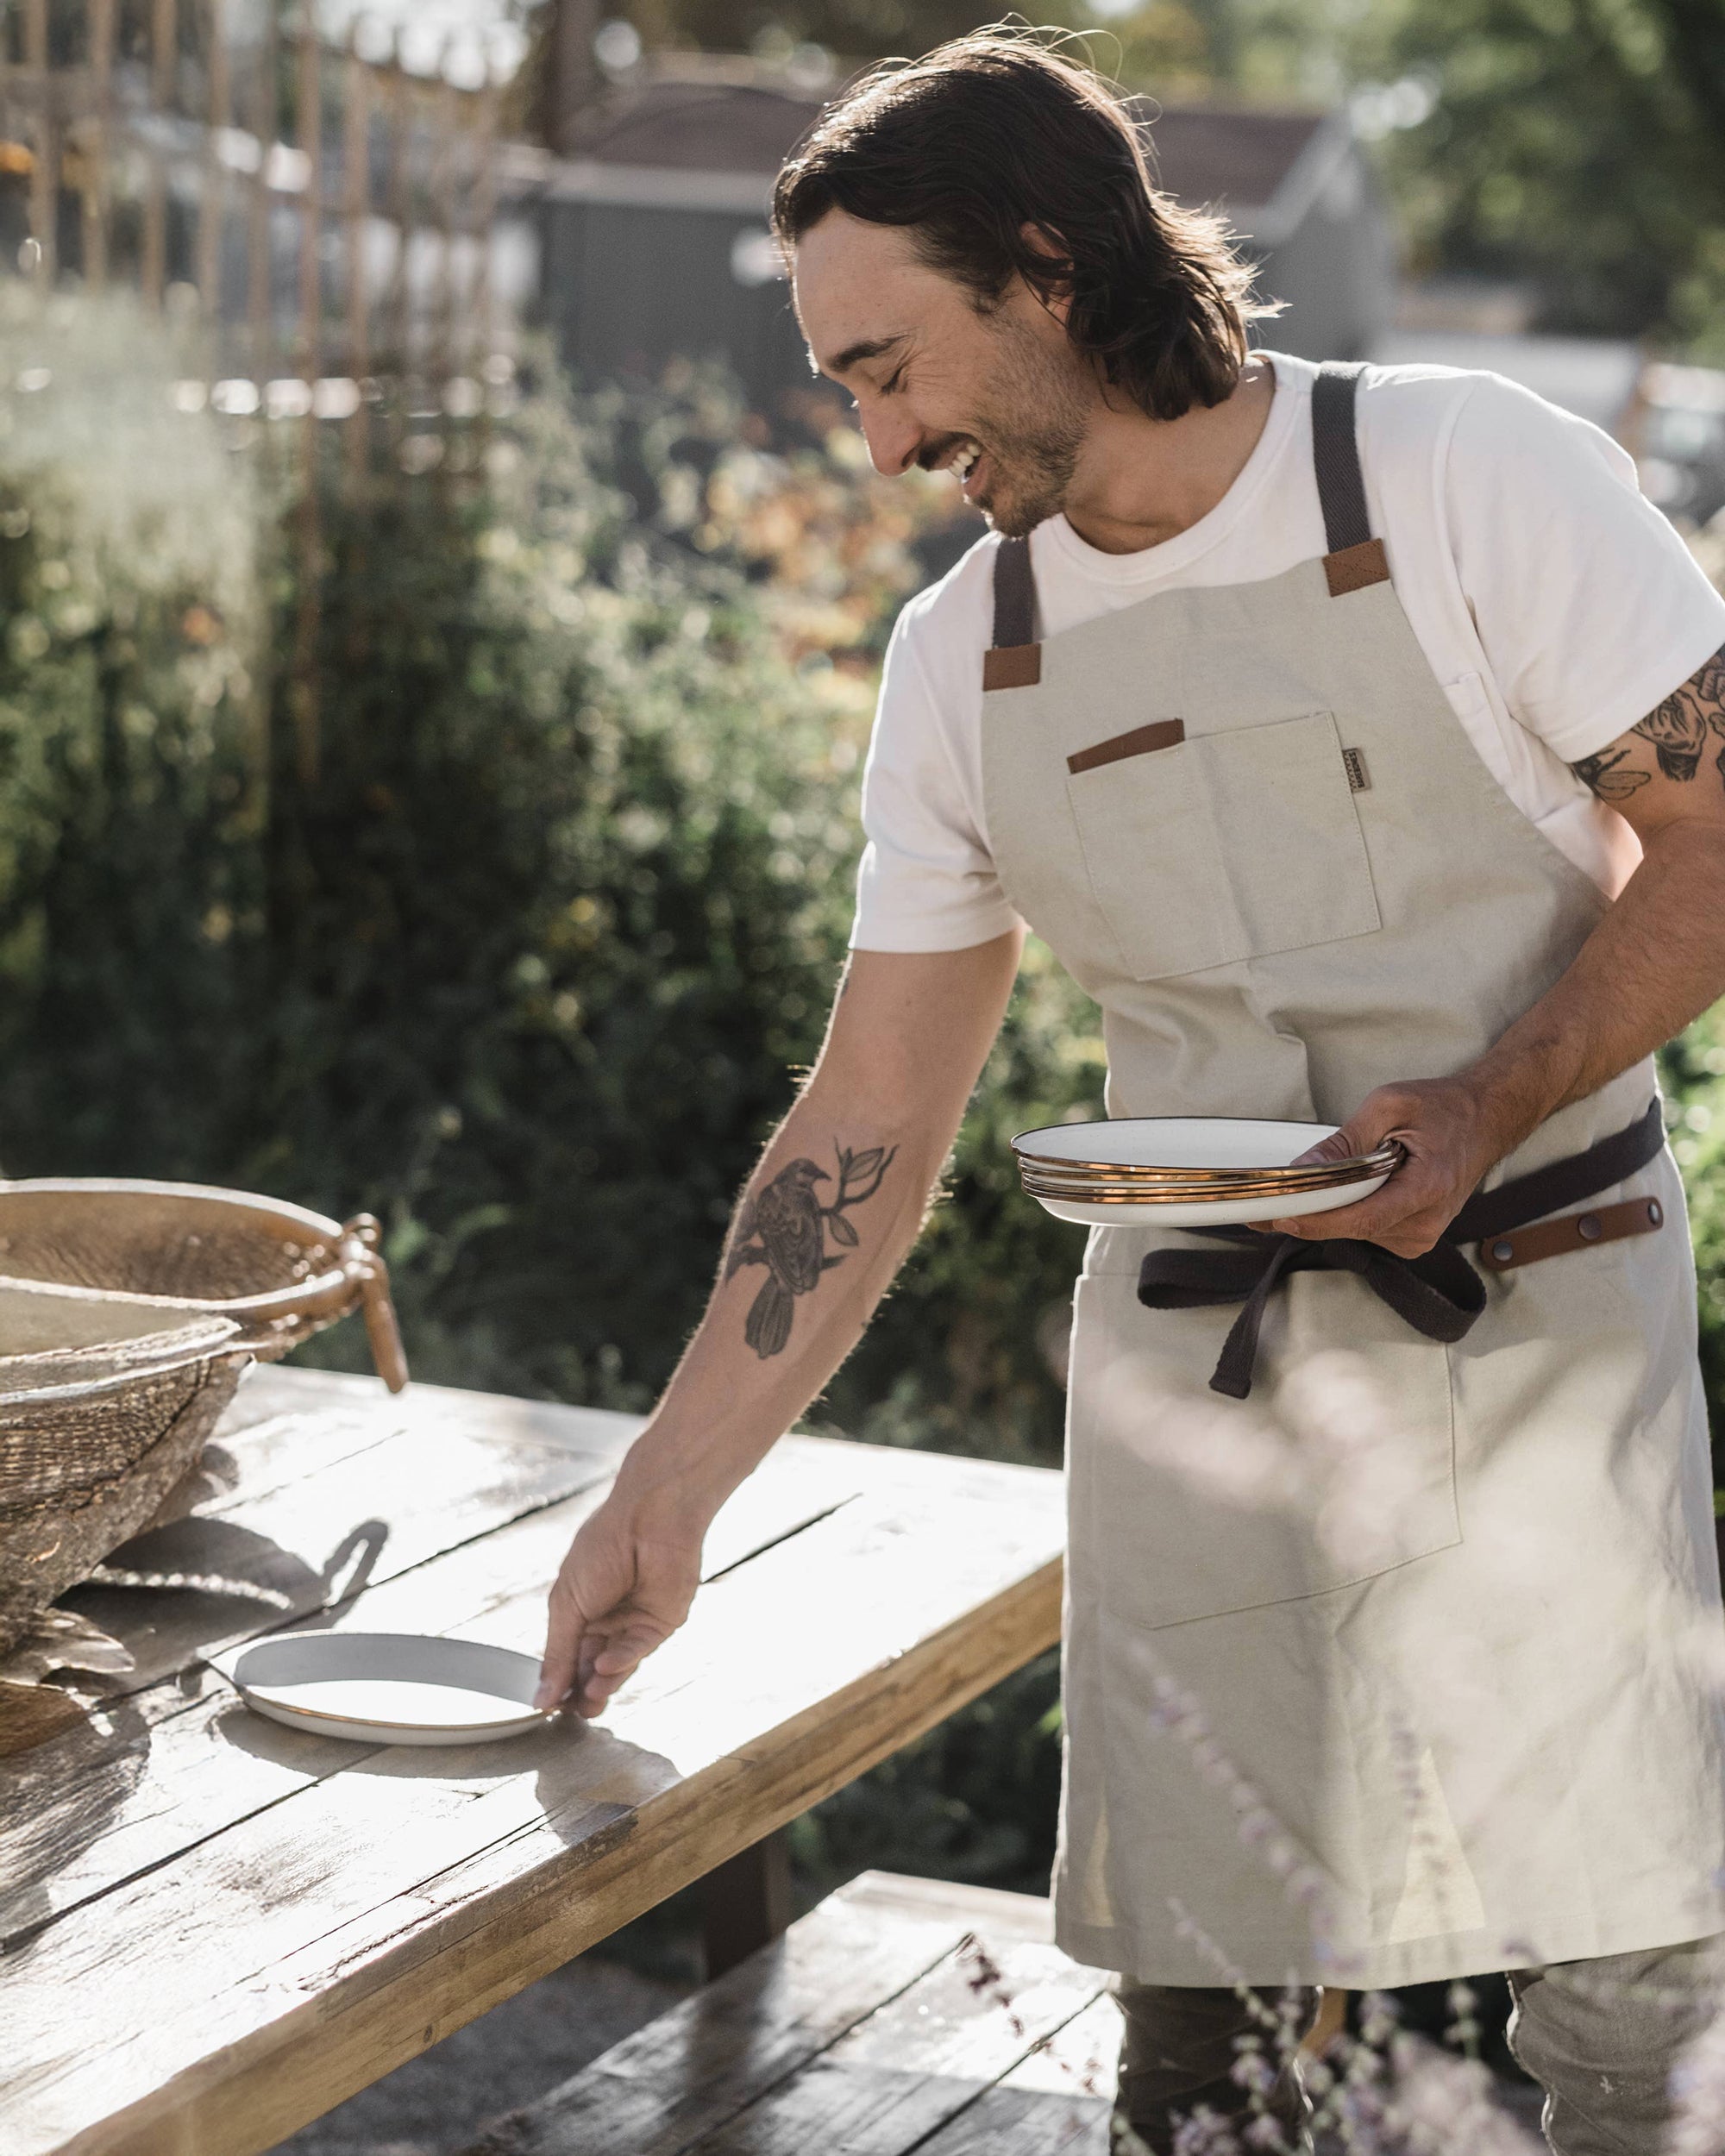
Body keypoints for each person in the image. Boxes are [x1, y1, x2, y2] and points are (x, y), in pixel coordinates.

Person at [534, 30, 1725, 2153]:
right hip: (1209, 1382)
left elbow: (1717, 835)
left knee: (1625, 2037)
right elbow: (866, 1119)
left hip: (1538, 1321)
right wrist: (664, 1498)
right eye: (848, 387)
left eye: (891, 363)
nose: (882, 435)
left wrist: (1483, 1095)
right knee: (1209, 2063)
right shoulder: (959, 660)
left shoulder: (1467, 476)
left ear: (1052, 265)